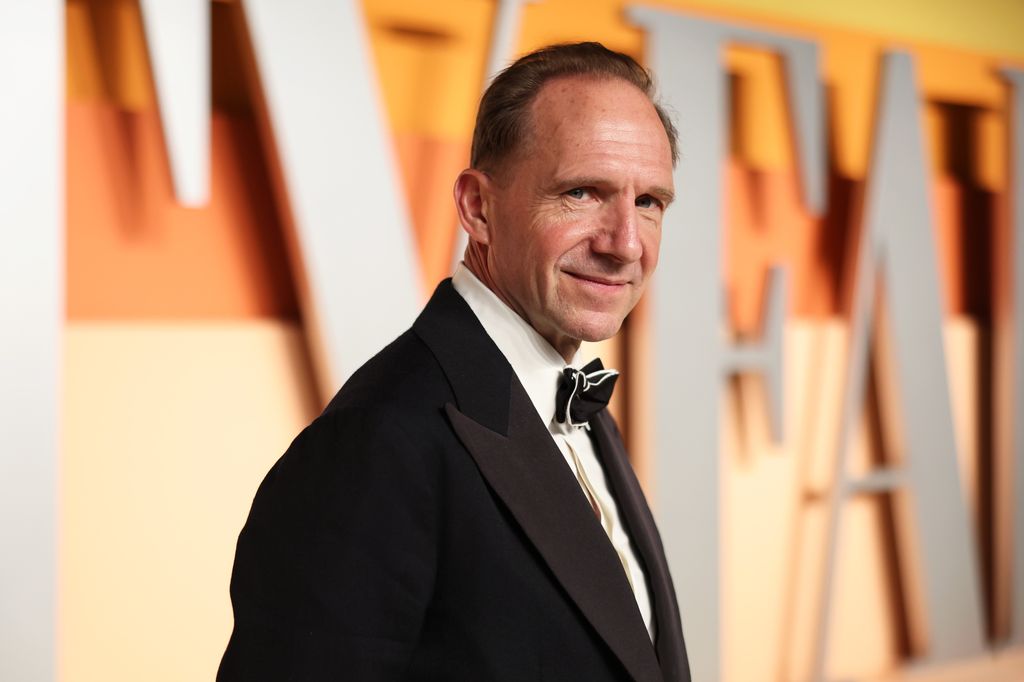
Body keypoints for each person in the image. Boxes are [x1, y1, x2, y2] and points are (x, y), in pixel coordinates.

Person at [218, 42, 690, 682]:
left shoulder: (575, 405)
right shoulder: (377, 443)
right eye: (582, 193)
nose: (625, 244)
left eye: (648, 203)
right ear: (477, 209)